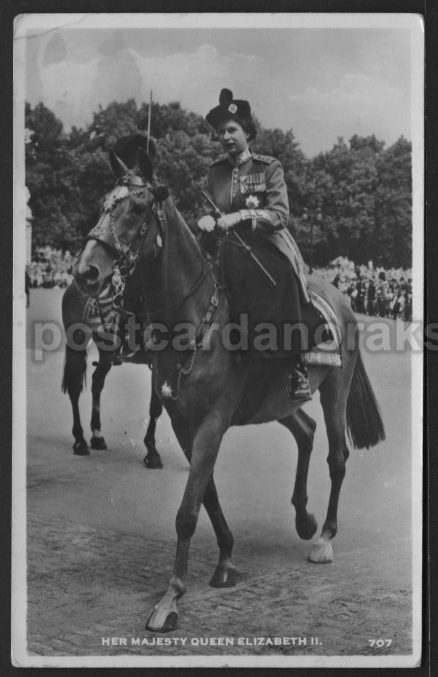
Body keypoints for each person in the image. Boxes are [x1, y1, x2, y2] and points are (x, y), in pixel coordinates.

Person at [197, 88, 312, 401]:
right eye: (220, 132)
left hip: (264, 242)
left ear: (247, 131)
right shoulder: (215, 171)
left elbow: (279, 214)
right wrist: (206, 221)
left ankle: (296, 365)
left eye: (232, 130)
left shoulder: (268, 167)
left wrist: (242, 217)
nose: (225, 136)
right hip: (224, 246)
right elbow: (212, 211)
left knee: (283, 277)